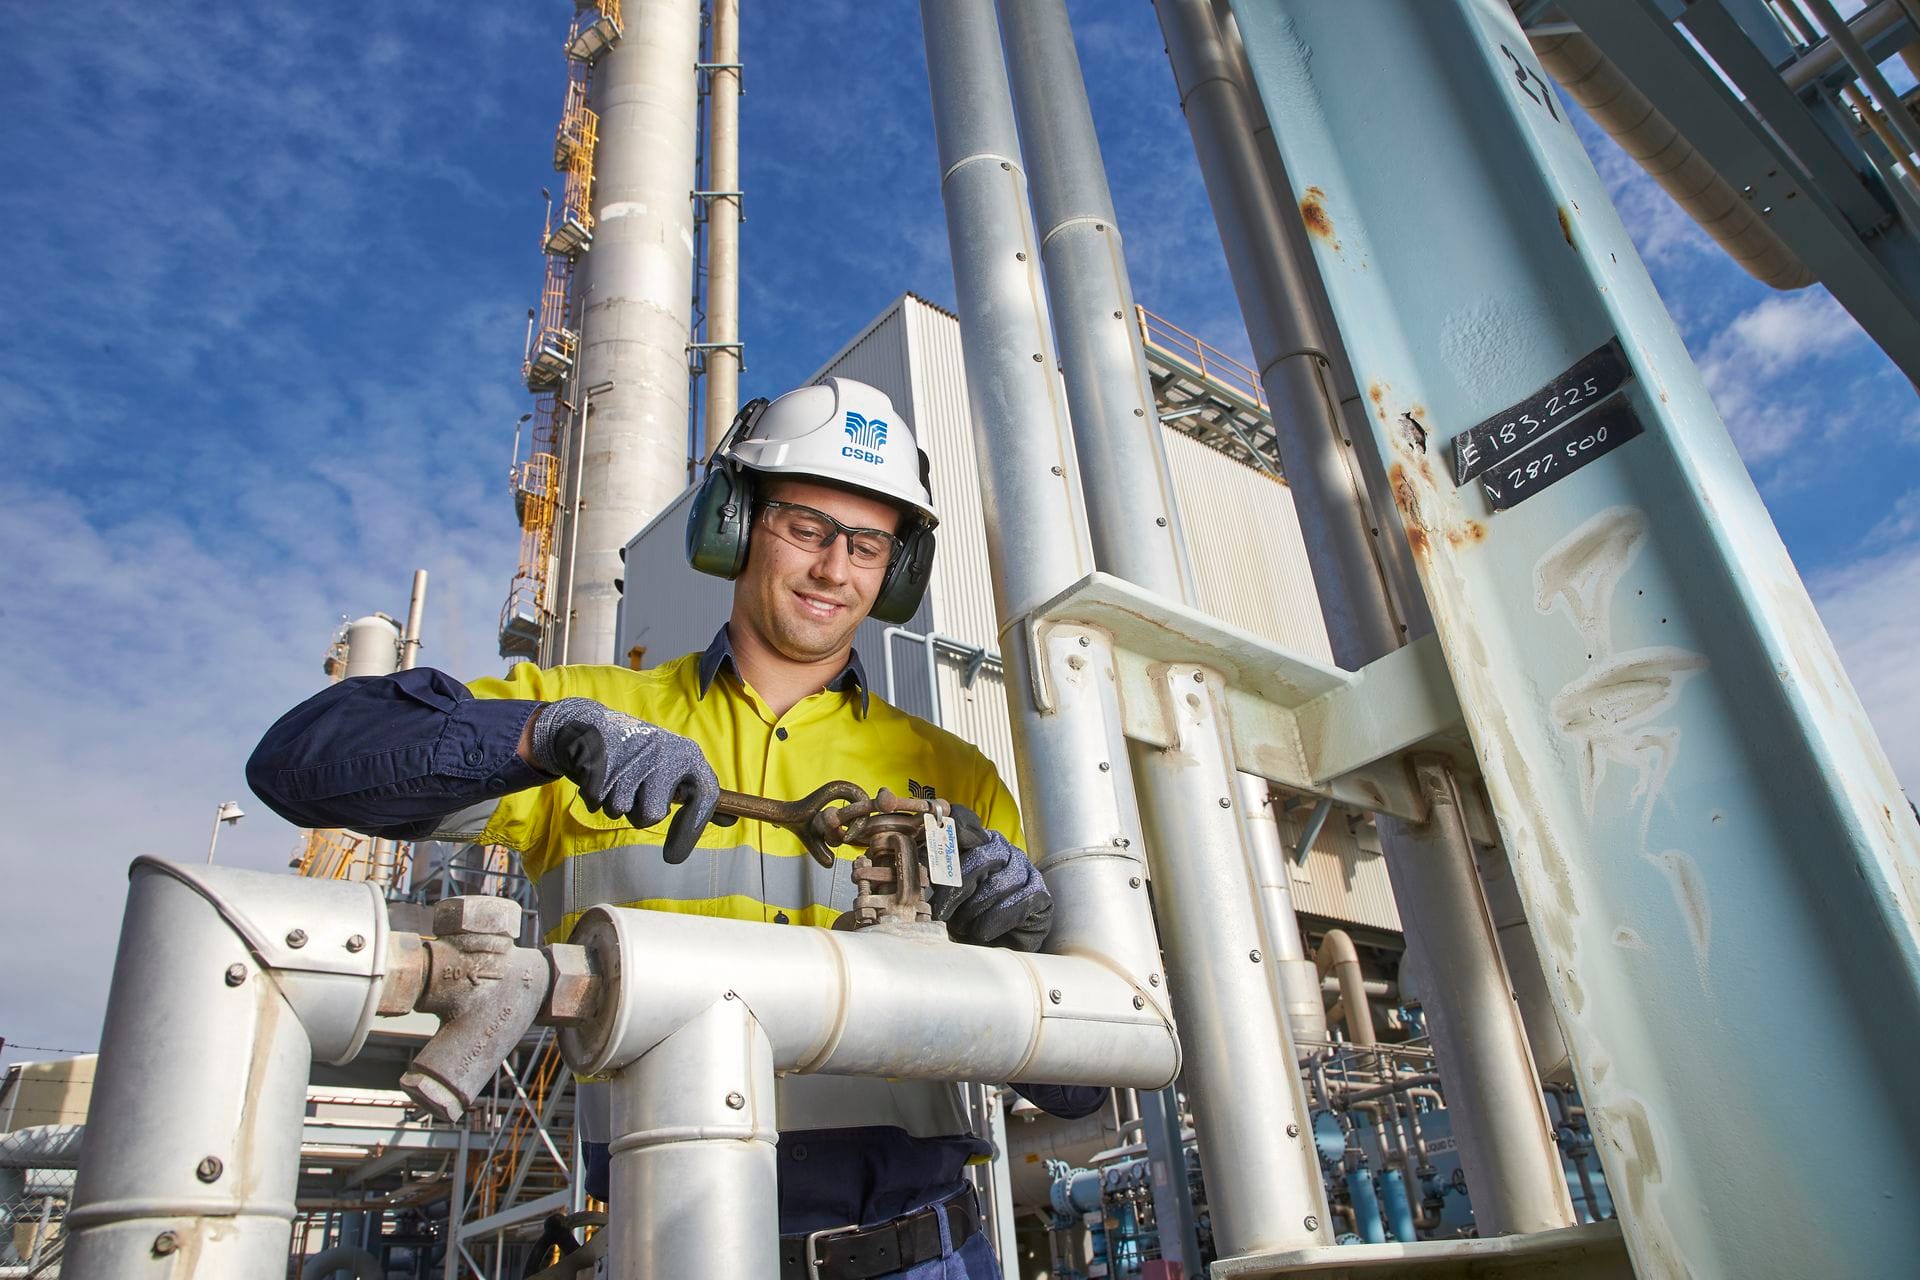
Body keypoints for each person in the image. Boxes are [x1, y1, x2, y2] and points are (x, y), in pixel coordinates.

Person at [248, 377, 1102, 1279]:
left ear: (896, 569)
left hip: (924, 1253)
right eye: (805, 528)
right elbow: (299, 764)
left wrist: (1019, 946)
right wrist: (543, 736)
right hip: (670, 1245)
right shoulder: (585, 715)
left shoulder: (957, 778)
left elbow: (1074, 1085)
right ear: (733, 522)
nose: (833, 570)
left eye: (867, 544)